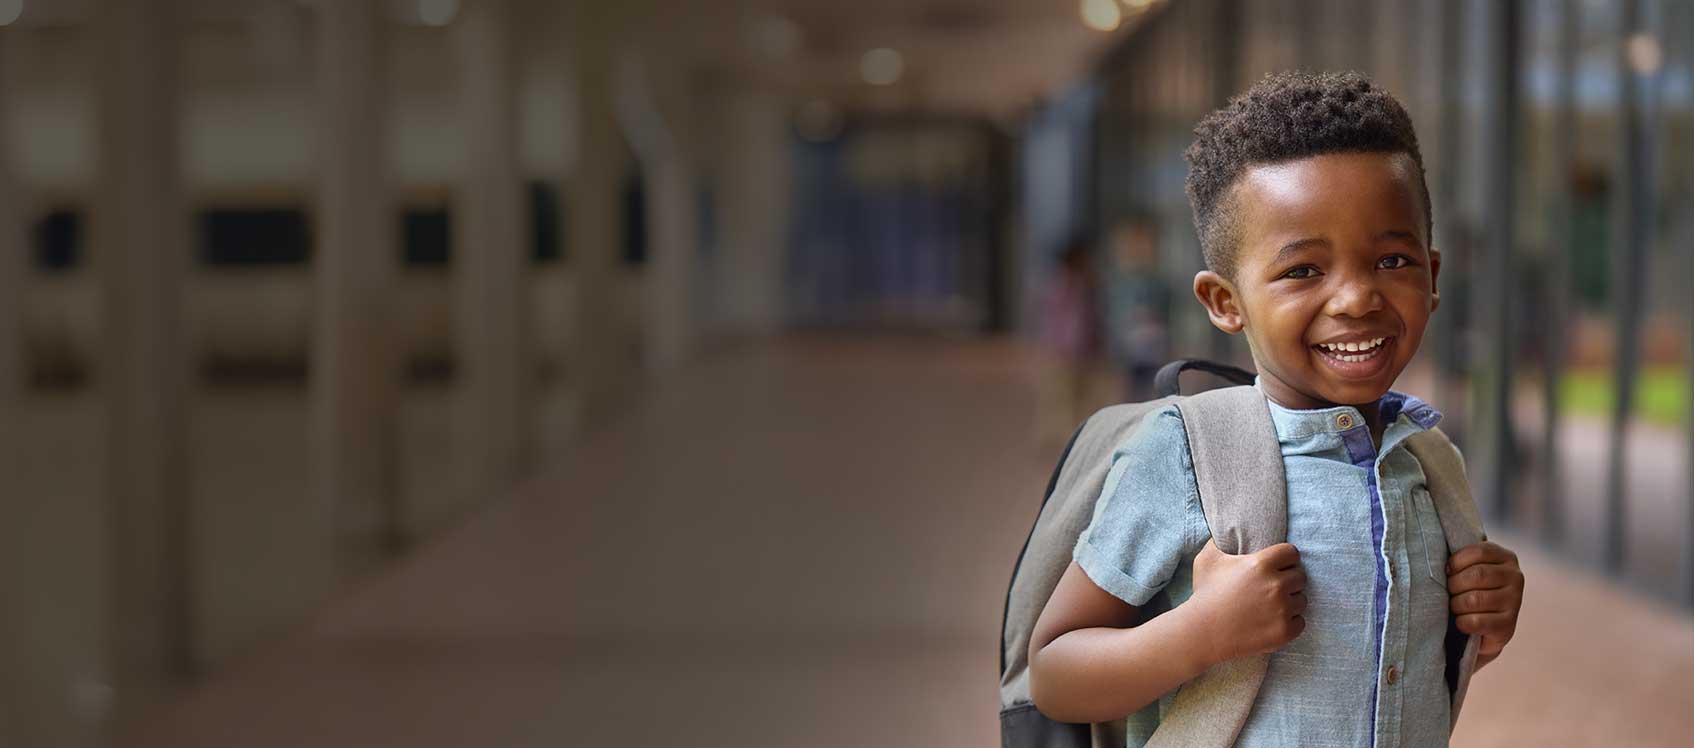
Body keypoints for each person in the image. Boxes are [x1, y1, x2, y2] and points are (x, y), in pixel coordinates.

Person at [1025, 71, 1526, 747]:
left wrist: (1486, 620)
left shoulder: (1432, 465)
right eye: (1302, 271)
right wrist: (1200, 633)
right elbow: (1054, 672)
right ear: (1225, 302)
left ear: (1433, 278)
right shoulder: (1190, 456)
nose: (1355, 299)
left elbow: (1396, 668)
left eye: (1392, 259)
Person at [1036, 234, 1104, 447]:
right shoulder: (1062, 283)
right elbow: (1055, 319)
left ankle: (1076, 438)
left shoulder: (1086, 283)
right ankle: (1064, 441)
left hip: (1081, 349)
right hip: (1063, 350)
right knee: (1061, 398)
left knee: (1081, 397)